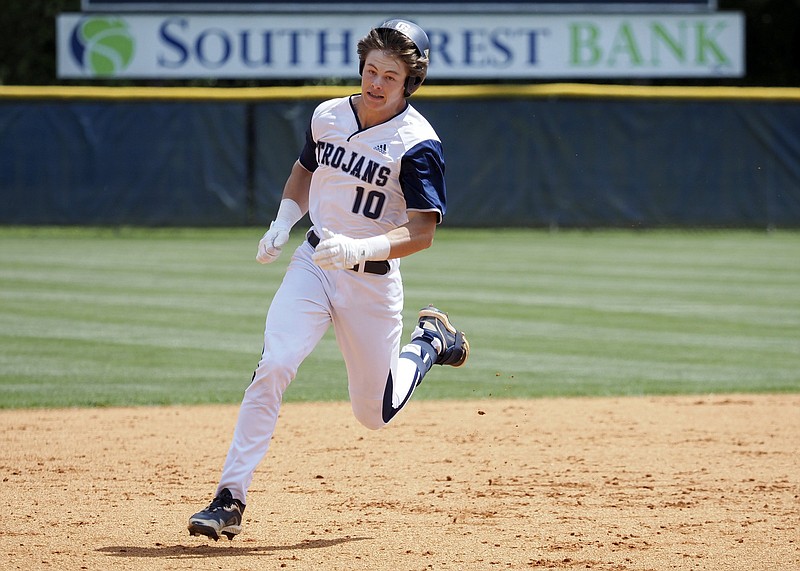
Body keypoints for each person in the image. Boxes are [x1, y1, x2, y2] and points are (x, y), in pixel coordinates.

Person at [187, 18, 469, 541]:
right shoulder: (330, 115)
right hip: (314, 263)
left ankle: (429, 343)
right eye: (370, 69)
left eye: (390, 74)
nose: (376, 82)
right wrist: (282, 221)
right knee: (274, 363)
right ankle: (230, 497)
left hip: (373, 281)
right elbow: (305, 169)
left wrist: (361, 246)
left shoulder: (417, 143)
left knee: (374, 415)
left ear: (411, 81)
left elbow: (423, 232)